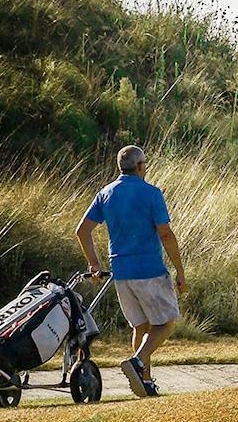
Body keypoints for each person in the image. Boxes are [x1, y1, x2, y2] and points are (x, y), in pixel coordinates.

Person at [76, 145, 187, 397]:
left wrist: (94, 263)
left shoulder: (105, 193)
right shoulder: (151, 193)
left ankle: (145, 382)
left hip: (121, 273)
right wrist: (180, 271)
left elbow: (82, 231)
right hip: (149, 269)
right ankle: (138, 362)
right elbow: (166, 234)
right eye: (145, 164)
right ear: (139, 167)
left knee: (141, 326)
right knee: (166, 322)